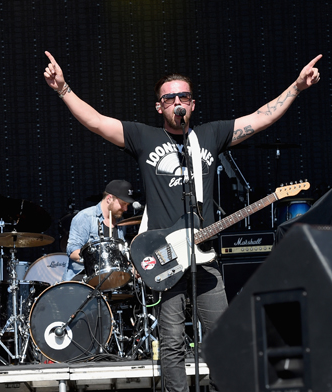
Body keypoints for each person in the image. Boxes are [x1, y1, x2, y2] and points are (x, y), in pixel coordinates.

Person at [44, 51, 321, 392]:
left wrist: (295, 87)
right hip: (164, 255)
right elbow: (98, 122)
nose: (178, 102)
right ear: (159, 106)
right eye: (169, 98)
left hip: (203, 256)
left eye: (184, 97)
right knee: (172, 341)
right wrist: (63, 89)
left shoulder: (210, 135)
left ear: (192, 104)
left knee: (223, 335)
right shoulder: (143, 138)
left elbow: (260, 119)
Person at [64, 179, 134, 281]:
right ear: (109, 199)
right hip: (83, 280)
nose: (125, 209)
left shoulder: (121, 222)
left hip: (112, 280)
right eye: (123, 204)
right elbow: (72, 251)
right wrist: (100, 261)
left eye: (127, 205)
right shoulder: (85, 217)